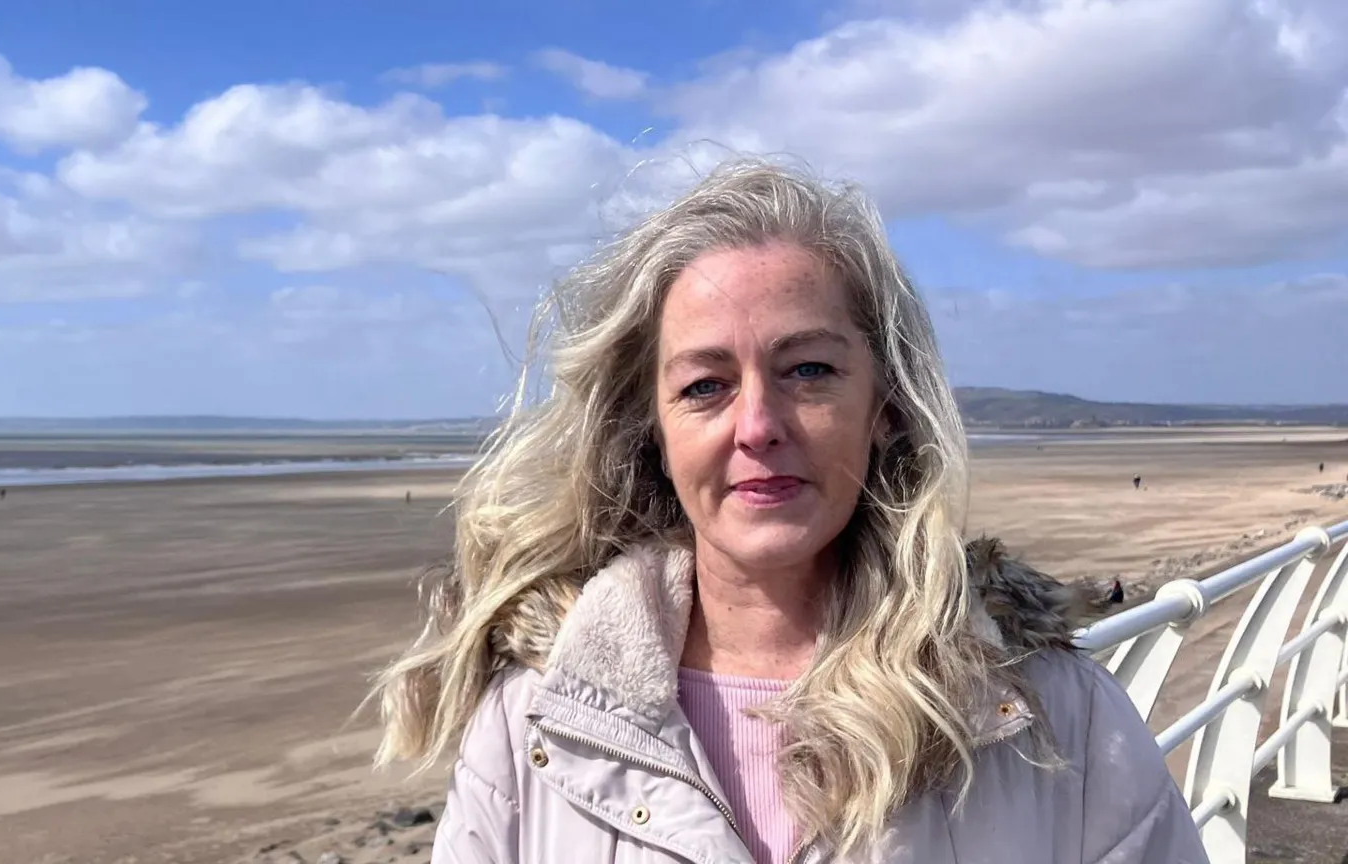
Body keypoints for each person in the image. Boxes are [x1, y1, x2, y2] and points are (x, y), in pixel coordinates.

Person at [366, 158, 1208, 863]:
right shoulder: (536, 727)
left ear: (885, 407)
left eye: (808, 370)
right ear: (654, 433)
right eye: (705, 386)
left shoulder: (1050, 713)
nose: (759, 426)